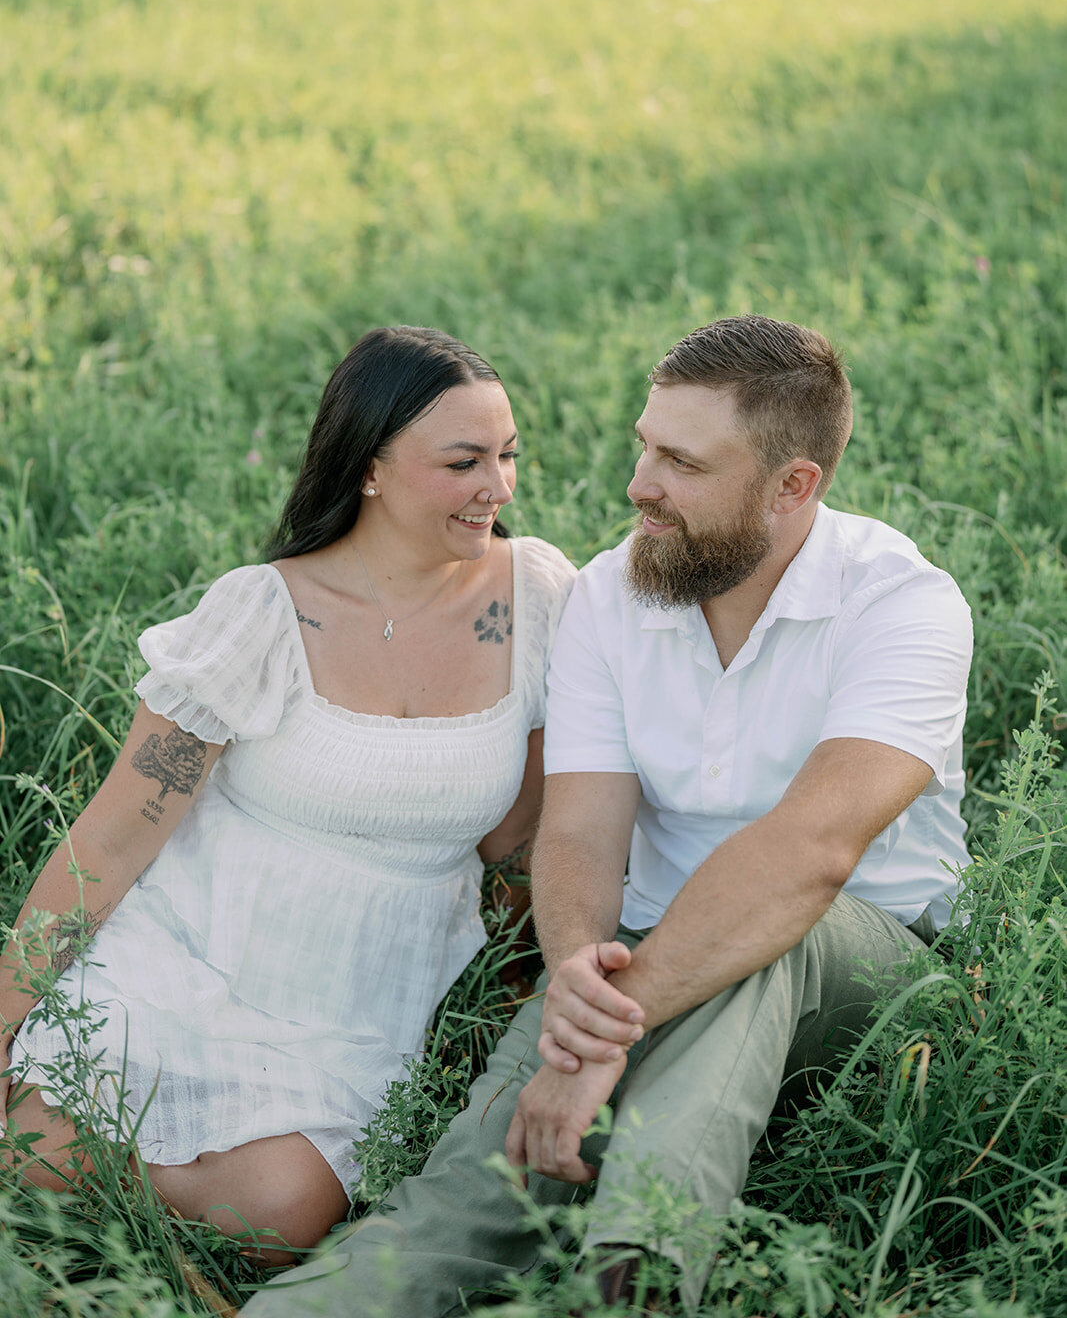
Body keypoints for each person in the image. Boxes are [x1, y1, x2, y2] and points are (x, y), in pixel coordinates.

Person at [243, 313, 973, 1315]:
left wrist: (600, 1043)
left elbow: (809, 854)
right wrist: (577, 975)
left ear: (791, 485)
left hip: (870, 967)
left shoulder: (900, 605)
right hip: (639, 952)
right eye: (643, 442)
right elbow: (581, 830)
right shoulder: (609, 595)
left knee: (774, 940)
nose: (638, 483)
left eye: (679, 460)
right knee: (478, 1172)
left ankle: (634, 1272)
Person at [0, 325, 575, 1259]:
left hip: (353, 996)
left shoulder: (536, 597)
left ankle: (89, 1178)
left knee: (279, 1214)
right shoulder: (262, 613)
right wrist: (6, 1015)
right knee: (41, 1142)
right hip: (196, 941)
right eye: (464, 461)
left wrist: (516, 993)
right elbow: (113, 840)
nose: (499, 489)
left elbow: (519, 833)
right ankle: (67, 1162)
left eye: (508, 456)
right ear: (371, 468)